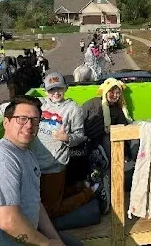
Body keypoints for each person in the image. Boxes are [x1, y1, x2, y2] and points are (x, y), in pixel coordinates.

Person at [0, 95, 84, 246]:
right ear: (6, 122)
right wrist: (46, 244)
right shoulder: (0, 160)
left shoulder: (27, 154)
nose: (29, 126)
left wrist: (55, 240)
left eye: (35, 121)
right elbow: (8, 222)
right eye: (22, 119)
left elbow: (36, 204)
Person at [31, 72, 100, 227]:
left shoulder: (72, 109)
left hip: (54, 164)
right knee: (41, 200)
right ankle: (82, 186)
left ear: (66, 88)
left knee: (51, 210)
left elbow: (80, 136)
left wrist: (67, 138)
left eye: (59, 88)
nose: (55, 93)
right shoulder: (40, 105)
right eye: (51, 89)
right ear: (45, 91)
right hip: (35, 164)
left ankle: (89, 193)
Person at [71, 78, 134, 214]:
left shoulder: (117, 111)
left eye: (118, 93)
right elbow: (78, 122)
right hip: (86, 142)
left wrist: (126, 152)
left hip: (103, 146)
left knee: (105, 164)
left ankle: (104, 199)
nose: (115, 96)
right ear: (105, 91)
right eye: (112, 92)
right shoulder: (92, 104)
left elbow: (123, 130)